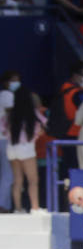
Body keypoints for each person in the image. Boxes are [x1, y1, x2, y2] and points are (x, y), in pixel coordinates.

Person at [2, 84, 44, 212]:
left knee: (17, 180)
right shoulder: (32, 113)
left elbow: (3, 130)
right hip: (27, 149)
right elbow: (42, 128)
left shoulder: (10, 114)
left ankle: (18, 208)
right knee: (32, 180)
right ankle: (35, 208)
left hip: (11, 148)